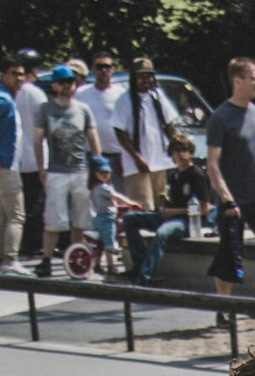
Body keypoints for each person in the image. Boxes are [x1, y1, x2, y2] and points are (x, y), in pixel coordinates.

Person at [206, 56, 255, 313]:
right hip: (234, 201)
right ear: (238, 81)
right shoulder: (220, 117)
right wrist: (227, 198)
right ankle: (224, 307)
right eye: (254, 77)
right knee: (229, 255)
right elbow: (212, 164)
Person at [34, 64, 101, 277]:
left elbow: (93, 137)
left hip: (80, 169)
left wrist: (99, 165)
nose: (66, 87)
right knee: (53, 218)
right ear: (54, 85)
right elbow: (37, 139)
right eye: (62, 82)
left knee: (81, 218)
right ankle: (46, 259)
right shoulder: (46, 109)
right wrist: (41, 166)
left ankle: (77, 256)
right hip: (56, 170)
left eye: (70, 82)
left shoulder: (83, 109)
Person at [122, 135, 210, 284]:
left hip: (188, 221)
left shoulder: (197, 175)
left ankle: (145, 276)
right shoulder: (175, 176)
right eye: (176, 151)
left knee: (162, 232)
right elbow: (170, 201)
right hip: (169, 215)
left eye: (184, 150)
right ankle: (139, 264)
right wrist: (164, 207)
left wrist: (172, 212)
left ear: (190, 152)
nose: (181, 155)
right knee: (129, 219)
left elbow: (204, 209)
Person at [111, 57, 180, 208]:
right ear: (133, 78)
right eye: (141, 76)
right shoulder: (124, 101)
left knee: (161, 205)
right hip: (136, 164)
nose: (145, 80)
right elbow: (120, 133)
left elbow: (169, 124)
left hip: (159, 160)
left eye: (148, 76)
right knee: (143, 206)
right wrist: (137, 158)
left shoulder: (157, 96)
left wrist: (176, 147)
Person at [16, 49, 47, 257]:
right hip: (36, 155)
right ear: (35, 69)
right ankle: (33, 244)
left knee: (20, 204)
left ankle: (20, 242)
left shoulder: (12, 91)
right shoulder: (36, 93)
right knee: (36, 203)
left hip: (17, 155)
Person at [87, 155, 140, 275]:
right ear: (95, 173)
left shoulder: (94, 188)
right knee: (109, 242)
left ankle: (97, 265)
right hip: (107, 218)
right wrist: (131, 203)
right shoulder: (103, 187)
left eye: (107, 172)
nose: (105, 175)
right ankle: (111, 266)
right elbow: (116, 196)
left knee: (100, 244)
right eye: (101, 172)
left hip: (98, 218)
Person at [0, 55, 27, 275]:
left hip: (8, 164)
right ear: (3, 75)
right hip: (5, 166)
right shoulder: (4, 100)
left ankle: (3, 259)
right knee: (17, 215)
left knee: (4, 215)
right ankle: (10, 260)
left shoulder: (7, 98)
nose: (20, 78)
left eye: (22, 73)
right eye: (14, 73)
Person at [76, 52, 123, 181]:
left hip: (117, 156)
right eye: (99, 66)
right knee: (93, 197)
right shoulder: (81, 93)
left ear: (113, 69)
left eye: (107, 66)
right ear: (92, 69)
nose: (104, 70)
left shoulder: (122, 94)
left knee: (119, 199)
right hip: (90, 156)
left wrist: (124, 155)